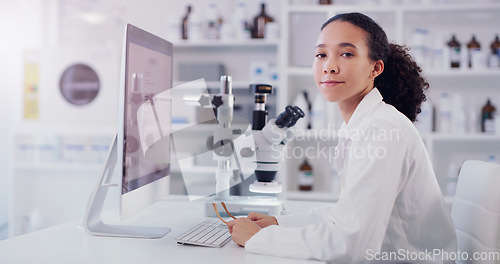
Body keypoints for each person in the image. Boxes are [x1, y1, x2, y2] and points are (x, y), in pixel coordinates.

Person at [227, 12, 457, 263]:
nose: (329, 65)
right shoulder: (363, 124)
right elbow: (345, 215)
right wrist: (278, 223)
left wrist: (257, 239)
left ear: (375, 68)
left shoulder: (382, 130)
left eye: (346, 53)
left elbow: (349, 245)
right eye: (321, 54)